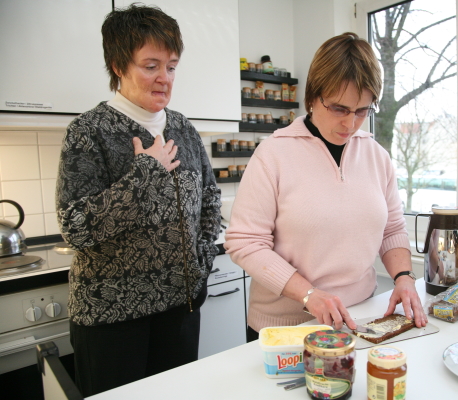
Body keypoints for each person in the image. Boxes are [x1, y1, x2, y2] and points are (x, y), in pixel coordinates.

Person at [55, 4, 220, 397]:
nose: (165, 78)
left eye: (172, 66)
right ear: (118, 65)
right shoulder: (89, 132)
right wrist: (144, 174)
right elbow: (75, 227)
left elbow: (210, 200)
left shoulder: (184, 128)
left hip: (180, 310)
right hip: (112, 319)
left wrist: (200, 263)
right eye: (151, 65)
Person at [225, 32, 427, 341]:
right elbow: (245, 242)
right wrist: (308, 294)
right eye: (339, 108)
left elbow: (392, 230)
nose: (350, 123)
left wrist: (404, 277)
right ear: (312, 97)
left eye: (362, 111)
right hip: (287, 328)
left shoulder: (376, 156)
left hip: (361, 318)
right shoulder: (273, 154)